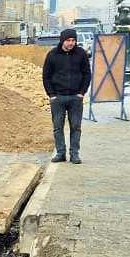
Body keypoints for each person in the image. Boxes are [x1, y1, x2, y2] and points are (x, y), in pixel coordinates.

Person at [41, 28, 91, 164]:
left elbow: (87, 74)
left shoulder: (81, 54)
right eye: (68, 40)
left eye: (73, 40)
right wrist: (51, 94)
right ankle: (60, 153)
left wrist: (81, 93)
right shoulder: (52, 55)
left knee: (76, 127)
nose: (71, 43)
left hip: (76, 98)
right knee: (58, 127)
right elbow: (46, 76)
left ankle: (74, 153)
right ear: (62, 40)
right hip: (58, 98)